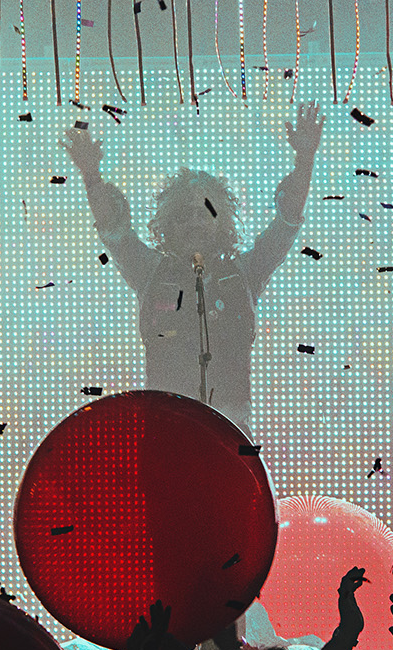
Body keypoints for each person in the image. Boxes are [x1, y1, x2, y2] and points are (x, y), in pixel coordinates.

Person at [61, 105, 322, 435]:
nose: (195, 222)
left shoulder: (244, 273)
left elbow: (286, 224)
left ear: (220, 222)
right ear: (169, 224)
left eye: (204, 215)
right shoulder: (150, 272)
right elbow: (114, 229)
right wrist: (91, 176)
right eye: (185, 215)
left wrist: (305, 162)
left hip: (230, 435)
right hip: (165, 432)